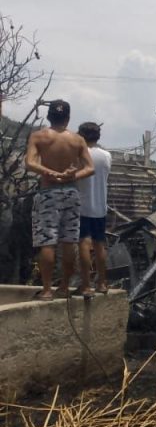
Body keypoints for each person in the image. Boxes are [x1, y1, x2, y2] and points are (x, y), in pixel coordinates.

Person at [24, 100, 94, 300]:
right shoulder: (77, 140)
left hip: (48, 193)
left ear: (48, 116)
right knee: (68, 241)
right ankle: (64, 287)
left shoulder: (39, 136)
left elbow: (29, 162)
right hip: (71, 193)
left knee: (47, 242)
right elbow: (90, 168)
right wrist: (72, 176)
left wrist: (49, 172)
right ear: (68, 117)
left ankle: (47, 290)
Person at [76, 122, 111, 295]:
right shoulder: (106, 156)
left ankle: (86, 285)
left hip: (82, 205)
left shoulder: (80, 154)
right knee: (99, 244)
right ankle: (102, 283)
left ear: (82, 135)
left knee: (84, 243)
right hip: (100, 206)